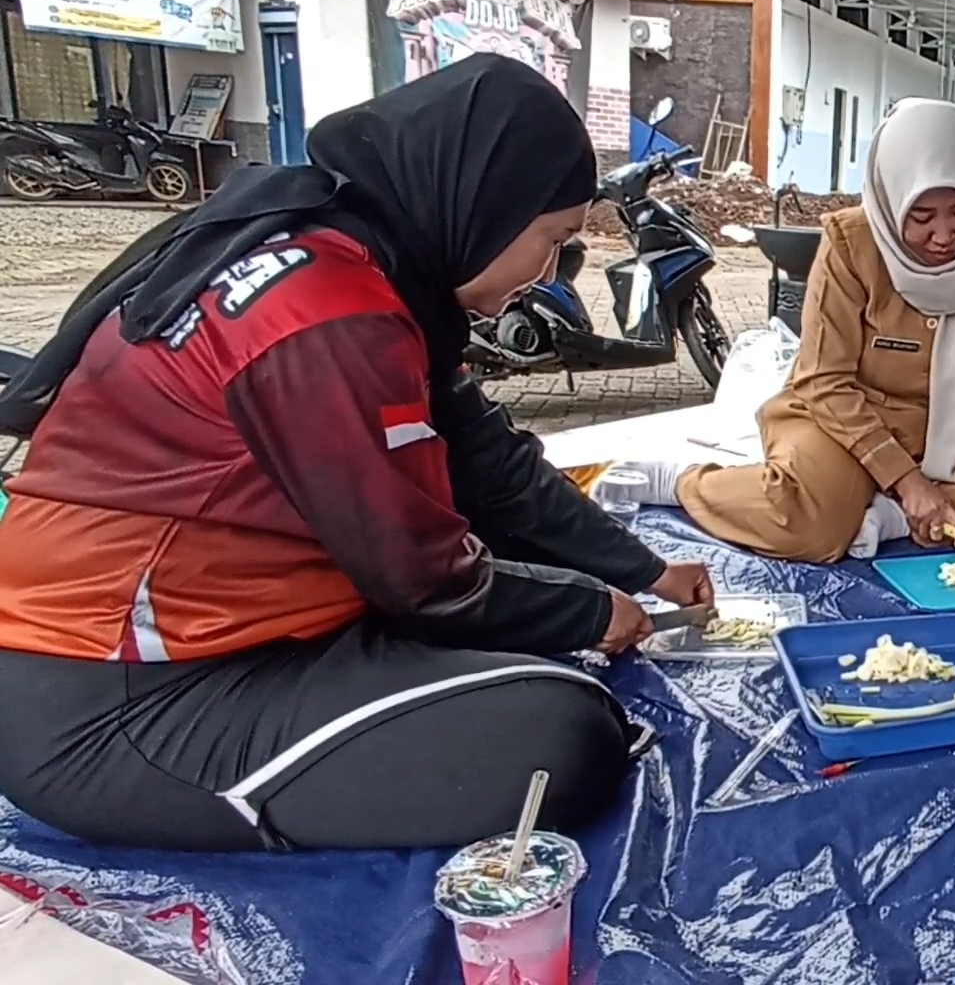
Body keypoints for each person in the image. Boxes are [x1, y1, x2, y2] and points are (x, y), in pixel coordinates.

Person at [0, 56, 714, 853]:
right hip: (119, 698)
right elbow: (424, 581)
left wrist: (642, 571)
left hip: (242, 629)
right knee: (563, 734)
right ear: (487, 203)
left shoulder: (352, 260)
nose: (546, 274)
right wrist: (591, 610)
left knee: (524, 600)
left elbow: (487, 462)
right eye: (552, 241)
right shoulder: (327, 315)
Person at [626, 99, 955, 563]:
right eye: (921, 217)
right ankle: (685, 482)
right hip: (838, 425)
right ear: (890, 197)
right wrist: (908, 481)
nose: (944, 236)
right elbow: (826, 382)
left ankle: (892, 519)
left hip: (954, 435)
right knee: (814, 528)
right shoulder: (853, 244)